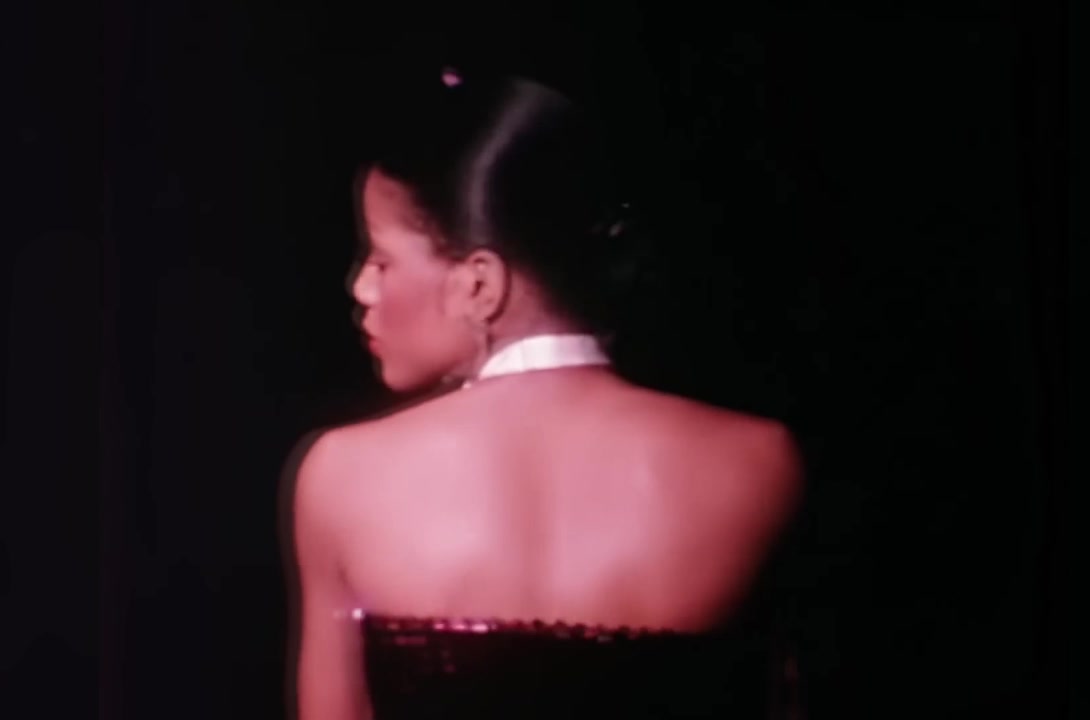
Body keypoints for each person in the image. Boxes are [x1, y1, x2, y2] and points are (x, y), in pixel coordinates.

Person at [285, 66, 804, 720]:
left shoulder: (343, 478)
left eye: (381, 260)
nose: (362, 288)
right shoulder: (760, 462)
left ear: (480, 284)